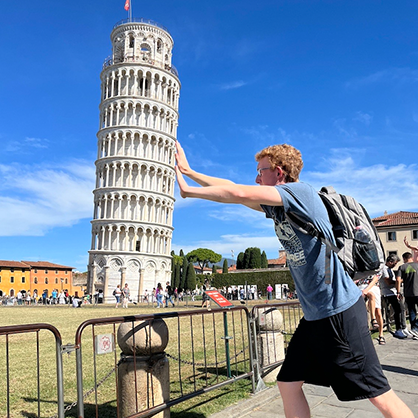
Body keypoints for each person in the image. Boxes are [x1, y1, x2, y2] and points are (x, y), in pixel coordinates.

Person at [175, 140, 413, 418]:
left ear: (278, 172)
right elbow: (237, 192)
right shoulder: (280, 207)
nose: (256, 177)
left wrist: (188, 191)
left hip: (339, 312)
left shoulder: (299, 193)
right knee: (287, 383)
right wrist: (190, 171)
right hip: (315, 316)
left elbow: (237, 192)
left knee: (379, 395)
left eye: (260, 170)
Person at [380, 255, 411, 339]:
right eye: (394, 263)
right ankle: (398, 328)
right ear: (390, 262)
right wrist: (399, 281)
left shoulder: (389, 269)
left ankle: (402, 327)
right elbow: (388, 281)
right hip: (387, 293)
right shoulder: (384, 268)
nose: (395, 265)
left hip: (393, 292)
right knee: (398, 309)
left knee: (401, 309)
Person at [358, 274, 385, 345]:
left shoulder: (377, 266)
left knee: (378, 311)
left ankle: (381, 334)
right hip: (362, 287)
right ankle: (372, 320)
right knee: (363, 310)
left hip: (373, 287)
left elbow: (376, 278)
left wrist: (366, 290)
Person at [396, 252, 418, 338]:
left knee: (412, 312)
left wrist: (398, 292)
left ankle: (414, 330)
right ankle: (416, 329)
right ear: (411, 258)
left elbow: (398, 280)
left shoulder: (402, 267)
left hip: (408, 293)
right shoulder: (417, 265)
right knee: (412, 311)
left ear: (404, 259)